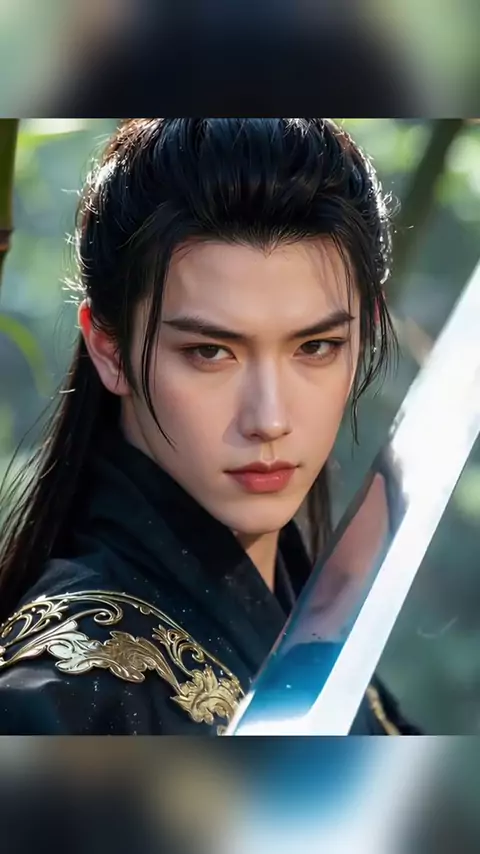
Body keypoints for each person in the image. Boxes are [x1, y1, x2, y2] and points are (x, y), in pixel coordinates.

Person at [0, 118, 419, 735]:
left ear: (366, 330)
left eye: (316, 347)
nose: (269, 419)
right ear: (109, 349)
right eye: (210, 352)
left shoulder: (312, 630)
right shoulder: (60, 700)